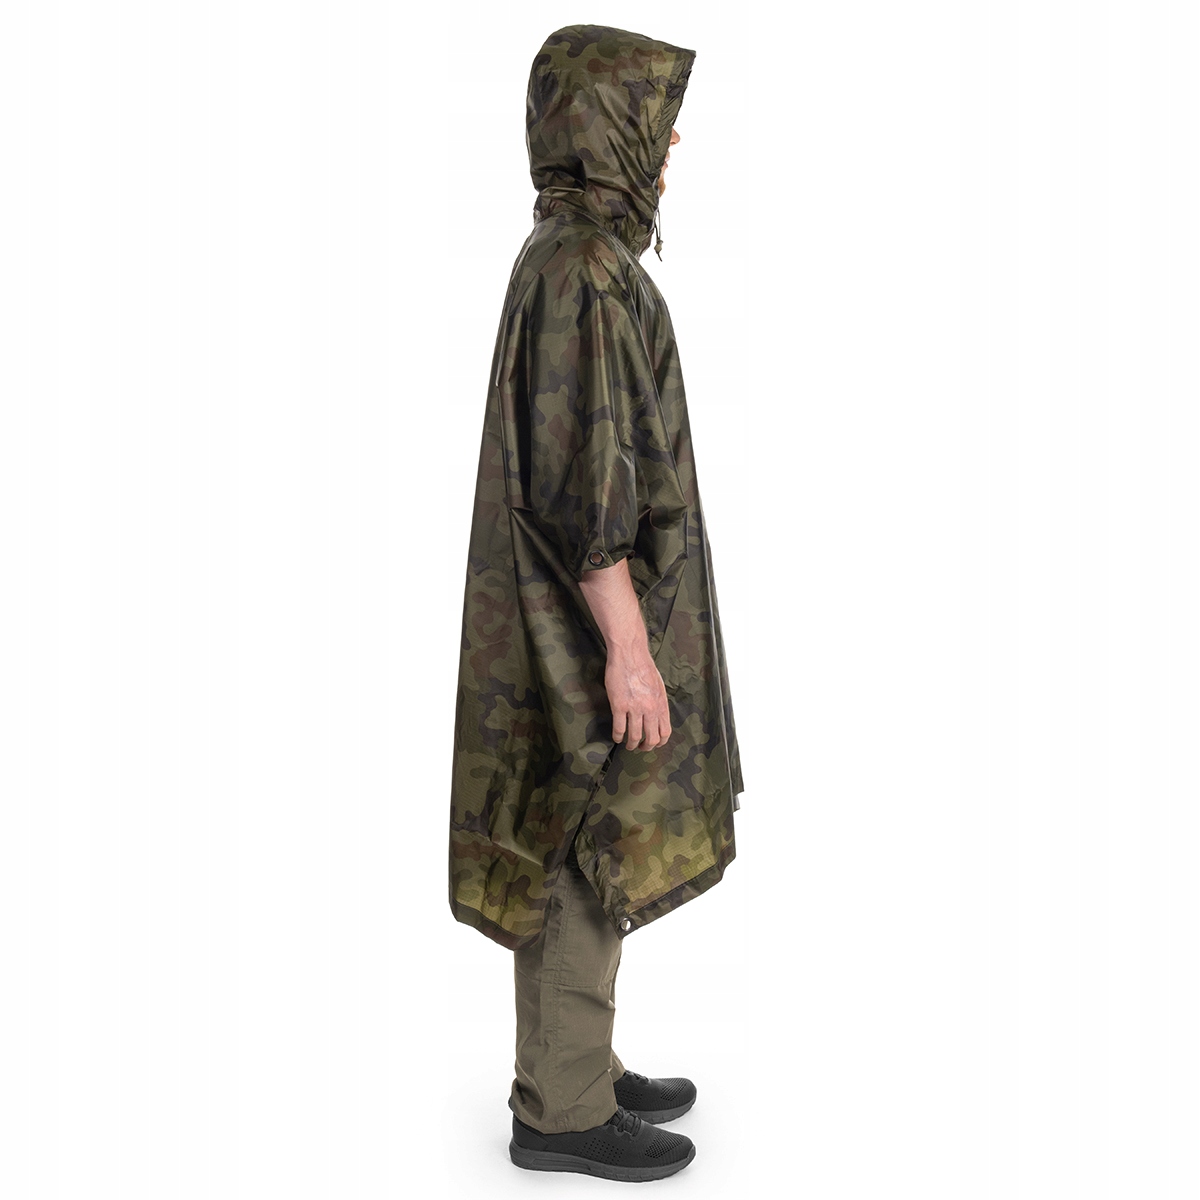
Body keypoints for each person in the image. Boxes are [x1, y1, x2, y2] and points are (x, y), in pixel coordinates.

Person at [447, 23, 744, 1182]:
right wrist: (628, 646)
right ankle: (561, 1110)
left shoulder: (571, 258)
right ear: (606, 126)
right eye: (656, 121)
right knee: (575, 835)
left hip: (563, 616)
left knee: (589, 831)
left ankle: (577, 1060)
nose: (671, 144)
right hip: (578, 628)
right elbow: (588, 484)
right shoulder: (581, 272)